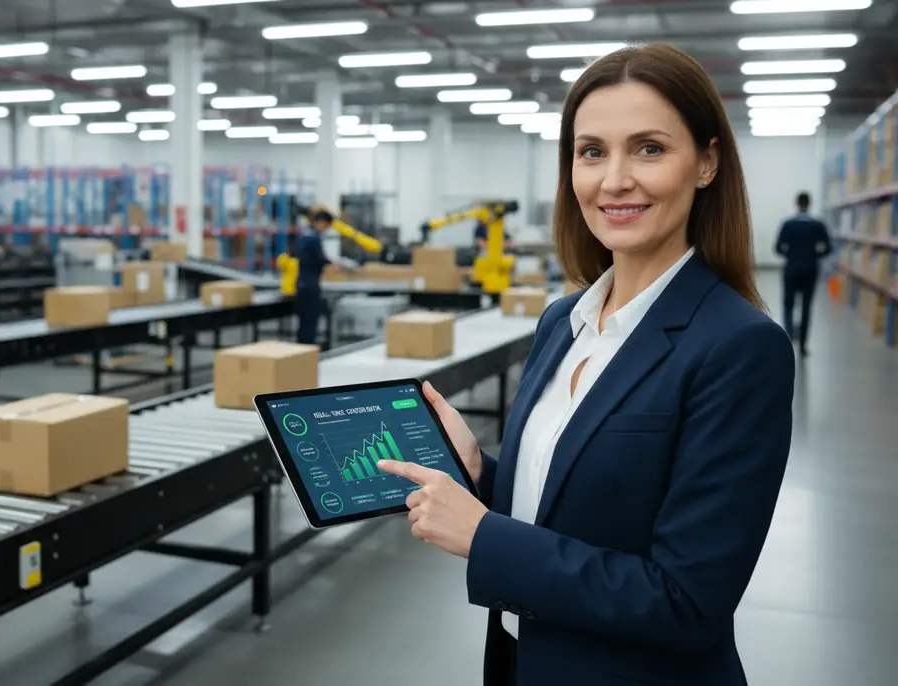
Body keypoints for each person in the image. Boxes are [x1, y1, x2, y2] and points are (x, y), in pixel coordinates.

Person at [377, 43, 795, 686]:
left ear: (706, 163)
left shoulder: (739, 348)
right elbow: (568, 507)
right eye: (592, 151)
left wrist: (484, 537)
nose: (614, 180)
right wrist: (479, 473)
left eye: (649, 148)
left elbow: (688, 603)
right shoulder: (563, 322)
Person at [775, 191, 832, 356]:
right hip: (810, 270)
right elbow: (828, 248)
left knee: (788, 304)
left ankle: (788, 339)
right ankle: (803, 345)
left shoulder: (788, 225)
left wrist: (790, 255)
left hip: (791, 269)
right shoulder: (817, 225)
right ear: (809, 204)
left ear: (797, 204)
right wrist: (814, 255)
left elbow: (778, 247)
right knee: (806, 306)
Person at [291, 206, 332, 345]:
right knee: (310, 321)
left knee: (303, 321)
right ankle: (307, 348)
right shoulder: (313, 238)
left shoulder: (303, 235)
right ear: (320, 222)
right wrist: (333, 265)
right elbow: (320, 259)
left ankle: (301, 349)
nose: (325, 229)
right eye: (326, 226)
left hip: (301, 283)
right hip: (310, 285)